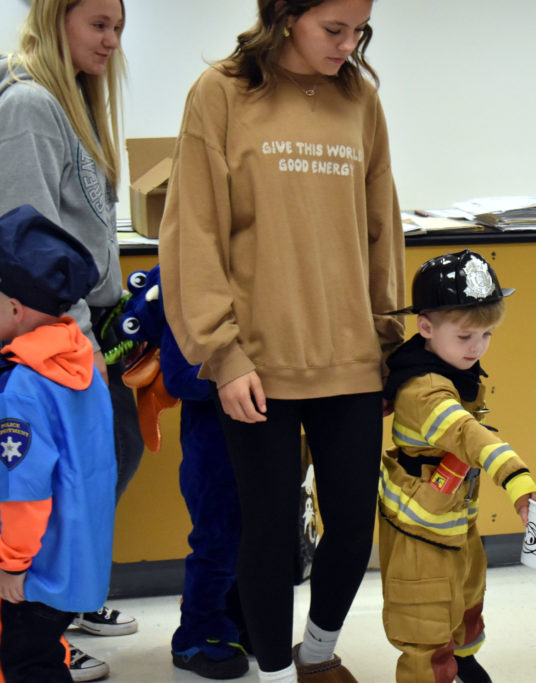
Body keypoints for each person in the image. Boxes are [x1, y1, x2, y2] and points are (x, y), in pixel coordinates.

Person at [158, 0, 406, 680]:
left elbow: (382, 225)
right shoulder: (223, 94)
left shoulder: (361, 100)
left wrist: (390, 340)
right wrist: (222, 351)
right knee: (266, 532)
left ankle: (316, 655)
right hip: (258, 363)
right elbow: (193, 234)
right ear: (286, 15)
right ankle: (271, 671)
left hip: (352, 358)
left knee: (354, 525)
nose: (349, 44)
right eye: (335, 29)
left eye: (360, 30)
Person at [0, 1, 142, 677]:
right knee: (54, 486)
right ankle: (39, 618)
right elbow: (29, 243)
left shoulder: (74, 100)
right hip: (56, 338)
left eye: (118, 27)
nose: (112, 41)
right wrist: (72, 350)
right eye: (98, 25)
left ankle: (66, 600)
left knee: (98, 470)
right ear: (57, 20)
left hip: (85, 331)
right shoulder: (29, 104)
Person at [378, 250, 536, 683]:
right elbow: (468, 434)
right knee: (426, 618)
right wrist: (517, 481)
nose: (478, 347)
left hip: (454, 514)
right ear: (426, 326)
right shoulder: (422, 390)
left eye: (486, 334)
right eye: (466, 336)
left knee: (468, 591)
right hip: (421, 526)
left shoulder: (452, 368)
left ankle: (464, 659)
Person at [0, 205, 116, 683]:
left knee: (27, 667)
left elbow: (22, 492)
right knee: (45, 658)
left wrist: (10, 566)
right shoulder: (82, 365)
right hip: (79, 567)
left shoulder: (24, 388)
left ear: (13, 309)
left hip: (34, 575)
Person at [119, 266, 249, 680]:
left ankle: (239, 624)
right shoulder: (191, 284)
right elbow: (181, 377)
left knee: (253, 542)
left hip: (258, 442)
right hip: (214, 450)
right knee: (217, 540)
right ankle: (197, 631)